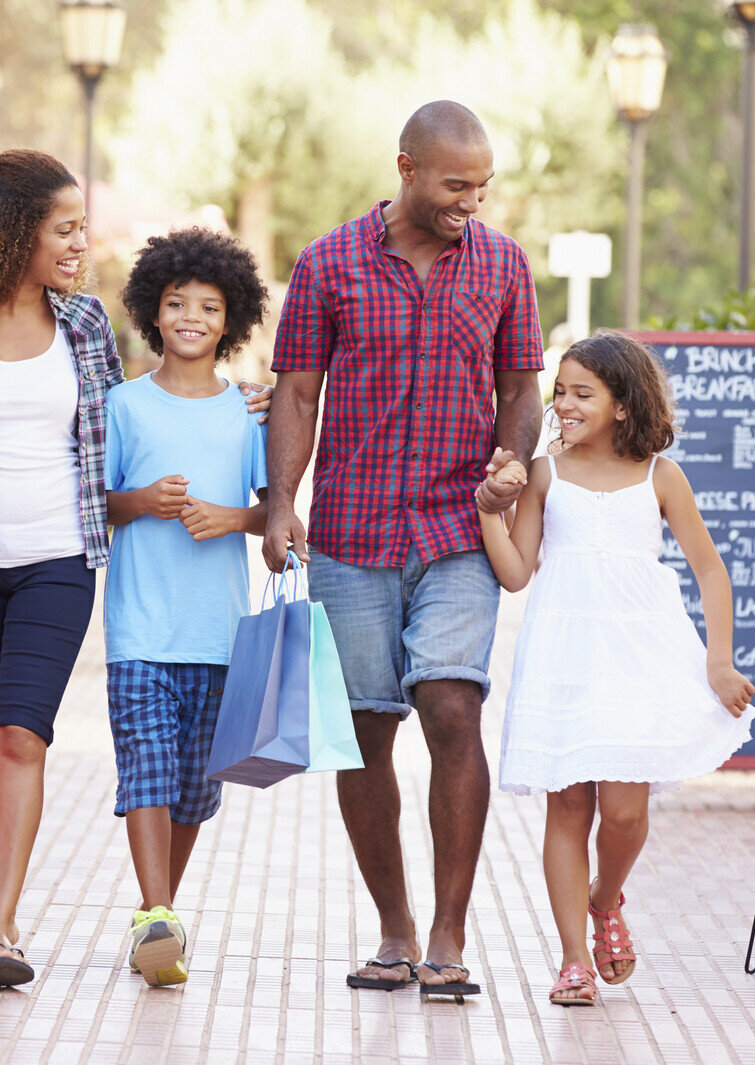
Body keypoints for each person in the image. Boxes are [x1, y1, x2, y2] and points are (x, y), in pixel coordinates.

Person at [0, 147, 269, 990]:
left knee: (22, 734)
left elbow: (140, 413)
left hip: (59, 561)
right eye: (65, 228)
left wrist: (241, 402)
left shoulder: (87, 324)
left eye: (82, 227)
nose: (81, 242)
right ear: (13, 233)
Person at [264, 101, 544, 1000]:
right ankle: (395, 927)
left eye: (483, 185)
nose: (473, 200)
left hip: (460, 527)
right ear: (407, 168)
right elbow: (297, 395)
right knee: (366, 732)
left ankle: (451, 937)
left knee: (453, 707)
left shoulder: (502, 264)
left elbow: (522, 388)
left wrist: (512, 462)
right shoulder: (327, 263)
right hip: (352, 533)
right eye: (457, 184)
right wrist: (280, 504)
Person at [476, 330, 755, 1007]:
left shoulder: (661, 475)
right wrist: (490, 511)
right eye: (560, 392)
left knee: (625, 811)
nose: (564, 405)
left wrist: (719, 659)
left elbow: (710, 569)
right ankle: (573, 959)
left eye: (582, 393)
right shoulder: (544, 472)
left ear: (623, 403)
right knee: (568, 805)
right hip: (563, 654)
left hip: (640, 654)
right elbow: (515, 574)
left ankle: (606, 900)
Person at [103, 227, 271, 987]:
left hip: (219, 631)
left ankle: (159, 915)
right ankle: (156, 913)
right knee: (146, 767)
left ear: (230, 318)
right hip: (140, 626)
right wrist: (142, 501)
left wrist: (229, 517)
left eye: (209, 305)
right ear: (152, 311)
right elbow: (95, 505)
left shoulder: (250, 414)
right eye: (177, 303)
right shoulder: (123, 405)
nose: (192, 316)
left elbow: (279, 514)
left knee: (195, 789)